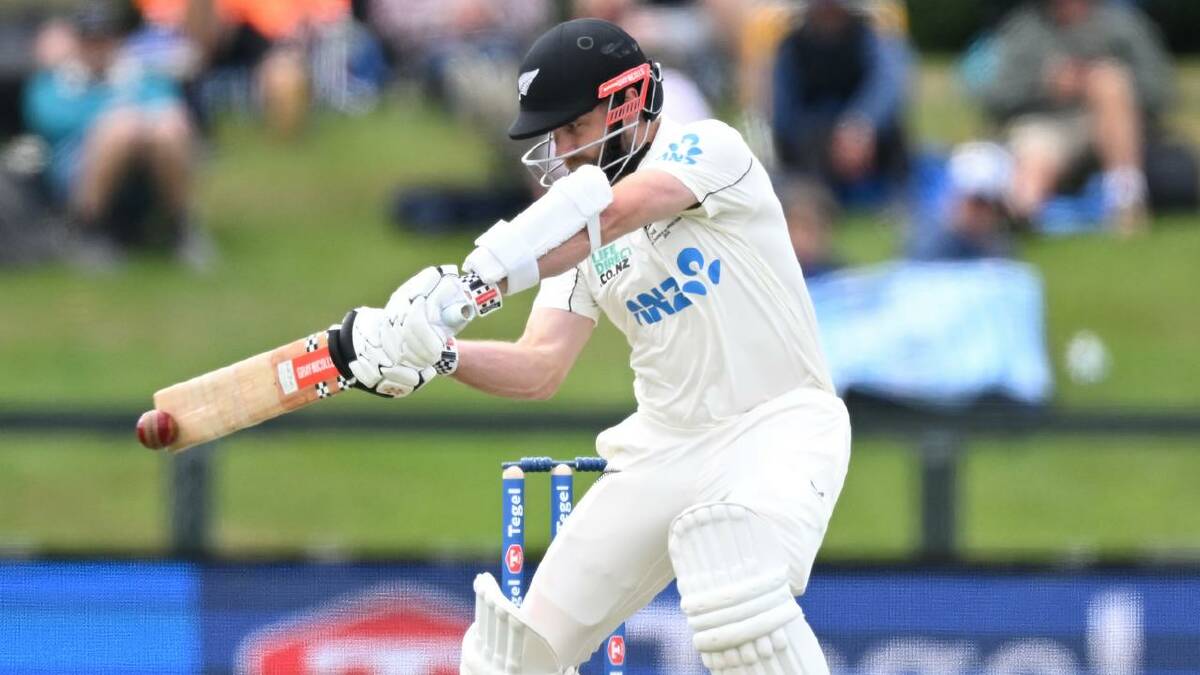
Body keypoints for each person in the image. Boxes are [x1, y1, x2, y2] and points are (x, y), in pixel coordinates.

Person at [330, 18, 851, 673]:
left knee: (737, 603)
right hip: (664, 448)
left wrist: (473, 279)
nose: (562, 149)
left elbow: (621, 211)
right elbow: (539, 366)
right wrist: (438, 350)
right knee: (508, 659)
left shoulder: (708, 151)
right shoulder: (579, 244)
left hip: (776, 426)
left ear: (628, 101)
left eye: (573, 128)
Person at [23, 1, 205, 267]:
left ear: (118, 40)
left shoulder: (144, 76)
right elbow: (49, 121)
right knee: (121, 127)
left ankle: (181, 227)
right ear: (76, 42)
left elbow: (171, 109)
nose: (97, 47)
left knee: (167, 126)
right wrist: (118, 115)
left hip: (144, 166)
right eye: (89, 40)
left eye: (103, 39)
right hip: (76, 173)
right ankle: (87, 229)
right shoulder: (53, 82)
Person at [975, 0, 1175, 233]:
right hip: (1047, 122)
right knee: (1036, 153)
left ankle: (1126, 201)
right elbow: (996, 97)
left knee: (1109, 82)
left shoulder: (1122, 24)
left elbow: (1159, 91)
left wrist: (1092, 80)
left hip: (1110, 123)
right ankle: (1020, 212)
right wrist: (1046, 86)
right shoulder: (1024, 29)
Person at [771, 0, 912, 206]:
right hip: (813, 137)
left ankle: (896, 198)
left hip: (865, 132)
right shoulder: (791, 46)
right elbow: (783, 115)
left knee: (894, 131)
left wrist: (860, 126)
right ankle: (813, 201)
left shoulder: (870, 38)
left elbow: (888, 86)